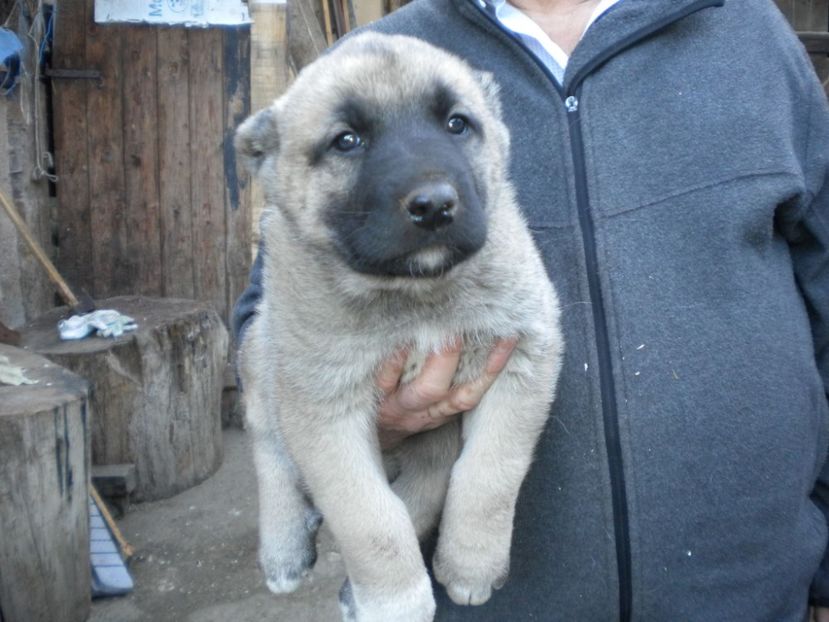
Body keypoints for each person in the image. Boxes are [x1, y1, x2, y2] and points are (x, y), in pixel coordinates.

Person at [233, 0, 829, 619]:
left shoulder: (748, 33)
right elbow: (271, 319)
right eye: (351, 141)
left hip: (747, 588)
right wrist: (366, 423)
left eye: (457, 125)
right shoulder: (371, 56)